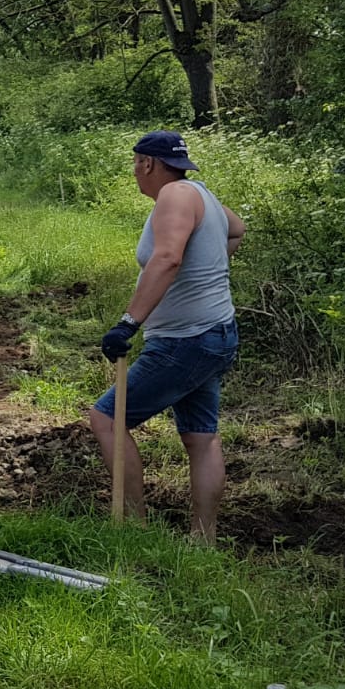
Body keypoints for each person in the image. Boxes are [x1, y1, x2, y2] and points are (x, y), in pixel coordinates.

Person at [88, 130, 246, 542]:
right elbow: (237, 230)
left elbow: (168, 256)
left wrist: (128, 323)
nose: (135, 173)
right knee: (201, 437)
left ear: (147, 163)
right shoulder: (201, 193)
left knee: (107, 418)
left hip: (186, 341)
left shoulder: (173, 197)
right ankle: (202, 537)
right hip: (214, 333)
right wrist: (205, 274)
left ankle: (134, 528)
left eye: (135, 164)